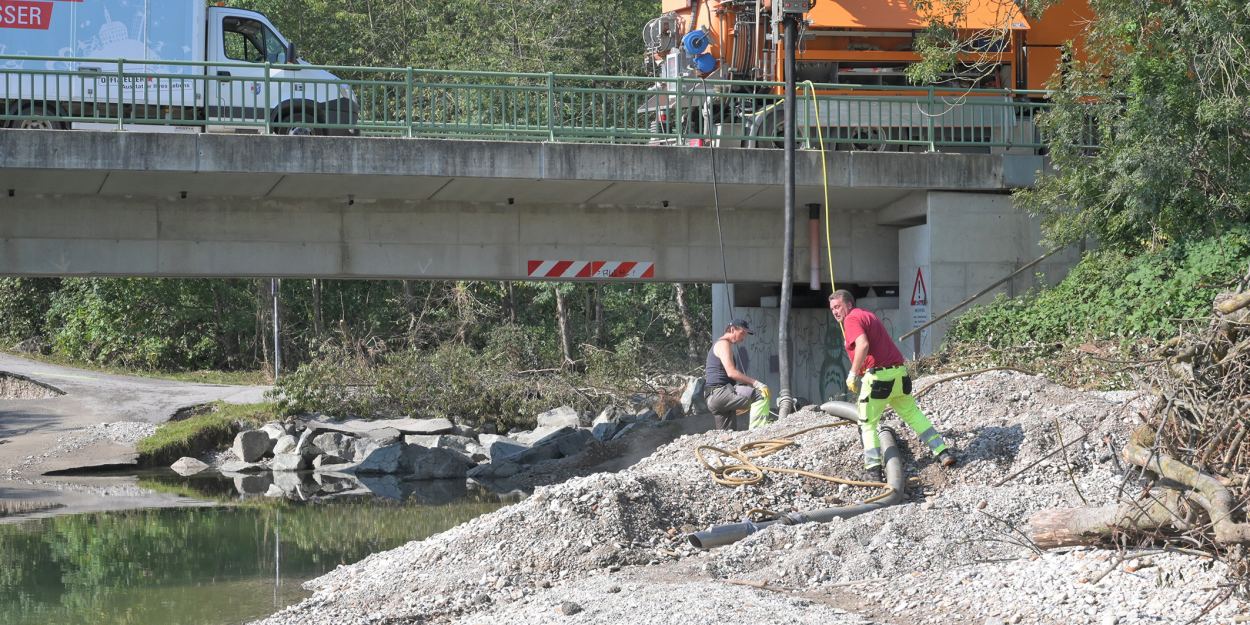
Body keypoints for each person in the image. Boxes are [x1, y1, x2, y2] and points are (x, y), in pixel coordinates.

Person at [828, 290, 956, 478]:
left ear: (849, 304)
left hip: (878, 378)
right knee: (913, 414)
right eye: (832, 308)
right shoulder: (868, 315)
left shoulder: (851, 319)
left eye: (838, 306)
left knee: (867, 423)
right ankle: (942, 451)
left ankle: (873, 472)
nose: (835, 312)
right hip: (899, 373)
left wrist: (853, 373)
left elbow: (862, 345)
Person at [703, 319, 768, 431]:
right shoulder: (724, 344)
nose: (743, 338)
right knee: (760, 395)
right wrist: (756, 383)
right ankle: (759, 431)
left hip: (712, 397)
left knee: (727, 435)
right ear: (732, 330)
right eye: (742, 333)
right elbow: (731, 372)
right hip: (720, 393)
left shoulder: (719, 345)